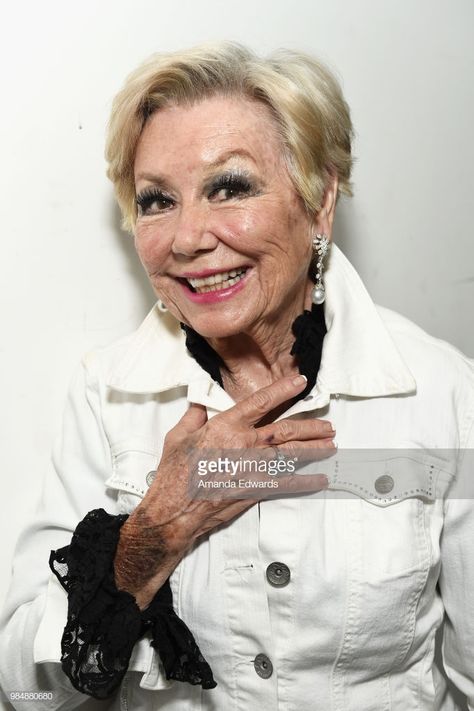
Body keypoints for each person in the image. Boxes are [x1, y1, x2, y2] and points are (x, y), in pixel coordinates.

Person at [0, 41, 473, 711]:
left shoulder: (443, 396)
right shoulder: (108, 396)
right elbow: (25, 690)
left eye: (230, 186)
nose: (188, 237)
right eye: (159, 200)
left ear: (320, 202)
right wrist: (148, 537)